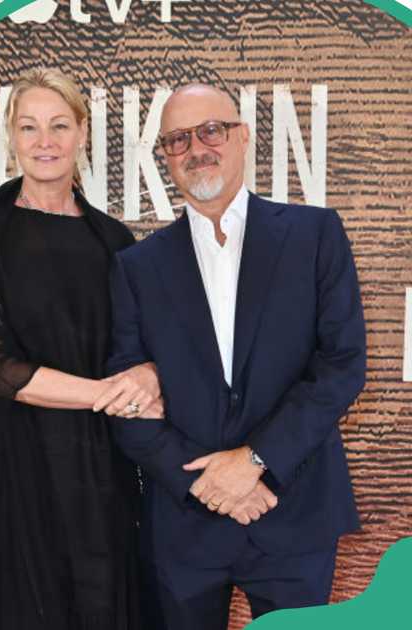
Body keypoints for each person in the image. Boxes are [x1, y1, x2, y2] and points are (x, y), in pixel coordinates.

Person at [107, 83, 365, 629]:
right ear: (165, 158)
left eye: (211, 130)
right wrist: (211, 486)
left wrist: (253, 464)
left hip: (292, 510)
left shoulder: (316, 235)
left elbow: (342, 366)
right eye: (178, 140)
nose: (197, 147)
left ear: (243, 136)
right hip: (185, 523)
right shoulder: (136, 267)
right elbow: (124, 400)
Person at [0, 67, 161, 630]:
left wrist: (148, 378)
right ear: (11, 136)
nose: (45, 142)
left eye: (60, 125)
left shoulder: (113, 239)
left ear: (82, 133)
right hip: (24, 462)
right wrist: (109, 394)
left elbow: (142, 349)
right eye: (30, 127)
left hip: (106, 468)